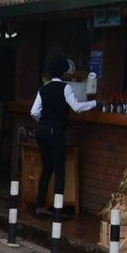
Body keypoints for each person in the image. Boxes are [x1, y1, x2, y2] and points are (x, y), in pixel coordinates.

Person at [30, 55, 95, 216]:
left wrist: (44, 122)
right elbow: (77, 107)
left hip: (41, 131)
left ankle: (40, 206)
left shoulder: (43, 88)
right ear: (64, 72)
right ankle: (58, 210)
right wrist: (95, 103)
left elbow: (33, 112)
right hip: (55, 132)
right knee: (60, 170)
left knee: (47, 168)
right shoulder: (65, 88)